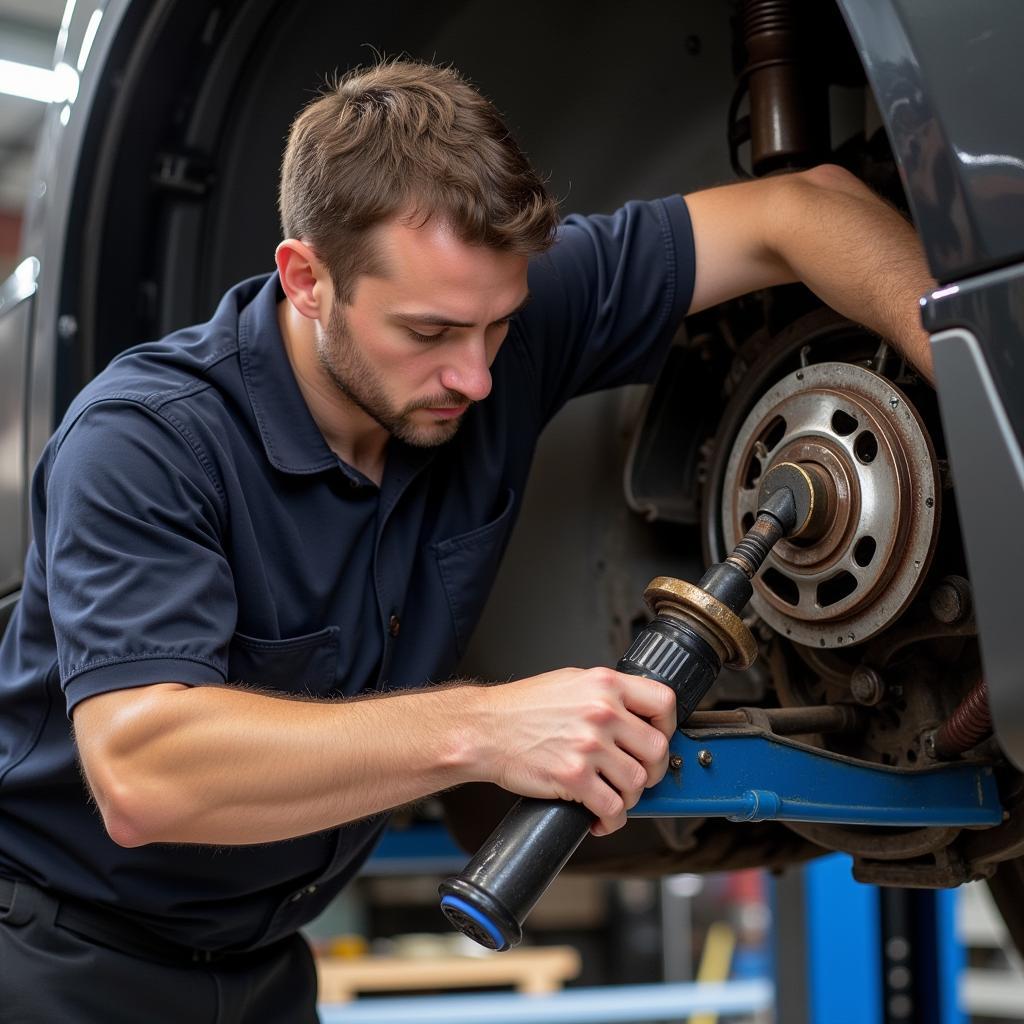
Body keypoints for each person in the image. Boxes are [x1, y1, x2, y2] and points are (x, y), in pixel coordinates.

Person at [0, 60, 934, 1021]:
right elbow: (143, 773)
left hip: (263, 965)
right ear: (307, 278)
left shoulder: (488, 333)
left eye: (499, 326)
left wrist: (983, 382)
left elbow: (801, 208)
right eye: (430, 332)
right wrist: (485, 730)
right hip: (50, 958)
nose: (478, 377)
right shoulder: (147, 439)